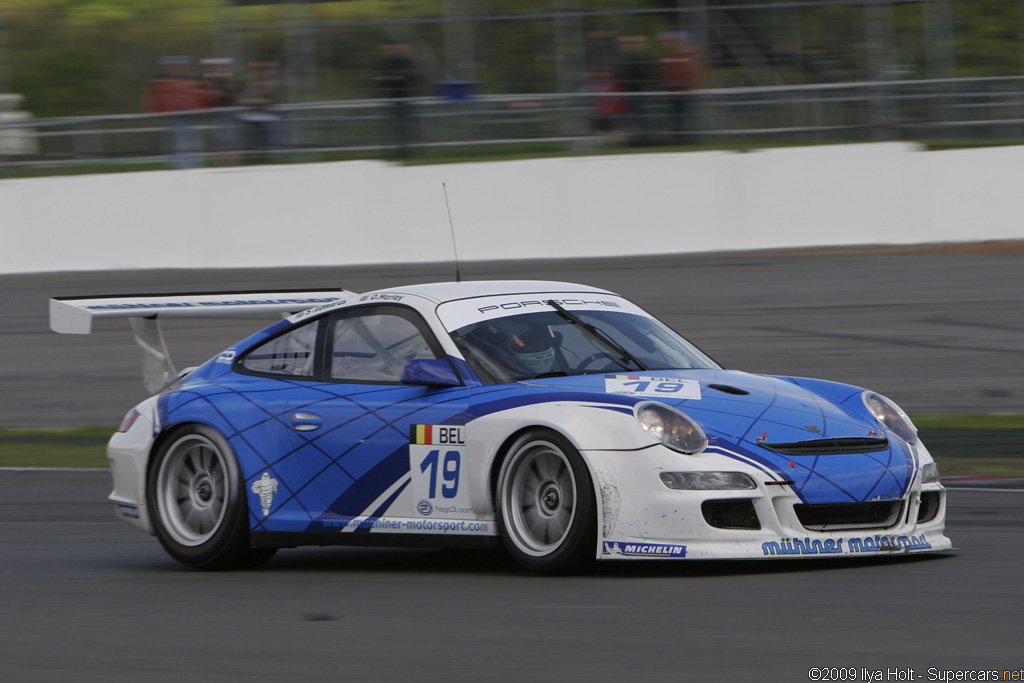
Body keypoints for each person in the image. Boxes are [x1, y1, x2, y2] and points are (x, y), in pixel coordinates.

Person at [143, 55, 203, 169]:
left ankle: (187, 165)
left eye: (179, 65)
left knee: (186, 141)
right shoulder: (159, 80)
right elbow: (150, 97)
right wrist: (149, 110)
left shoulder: (191, 79)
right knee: (171, 144)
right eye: (171, 65)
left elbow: (200, 95)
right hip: (167, 116)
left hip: (186, 117)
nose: (175, 68)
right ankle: (177, 165)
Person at [658, 31, 705, 145]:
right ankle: (677, 138)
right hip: (672, 92)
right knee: (675, 116)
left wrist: (692, 87)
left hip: (686, 91)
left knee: (686, 116)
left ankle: (688, 138)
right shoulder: (667, 57)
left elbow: (695, 73)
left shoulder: (689, 57)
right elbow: (663, 74)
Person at [374, 42, 418, 159]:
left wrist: (392, 77)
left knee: (404, 128)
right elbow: (379, 78)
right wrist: (395, 77)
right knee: (391, 128)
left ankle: (404, 153)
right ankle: (390, 153)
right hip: (390, 99)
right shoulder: (384, 63)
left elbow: (410, 77)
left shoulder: (406, 62)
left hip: (404, 98)